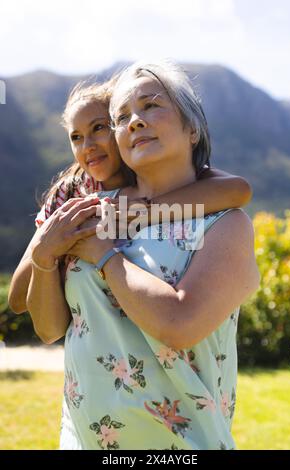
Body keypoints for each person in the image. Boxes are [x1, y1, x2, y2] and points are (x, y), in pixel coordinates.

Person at [17, 61, 260, 450]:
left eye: (150, 106)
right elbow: (50, 330)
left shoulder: (224, 223)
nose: (134, 122)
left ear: (192, 128)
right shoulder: (89, 211)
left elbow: (180, 325)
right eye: (122, 117)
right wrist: (45, 258)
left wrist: (105, 256)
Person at [9, 78, 251, 315]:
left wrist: (137, 213)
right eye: (76, 137)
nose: (88, 146)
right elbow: (18, 300)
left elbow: (237, 189)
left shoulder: (151, 173)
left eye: (99, 128)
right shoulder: (71, 192)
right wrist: (51, 248)